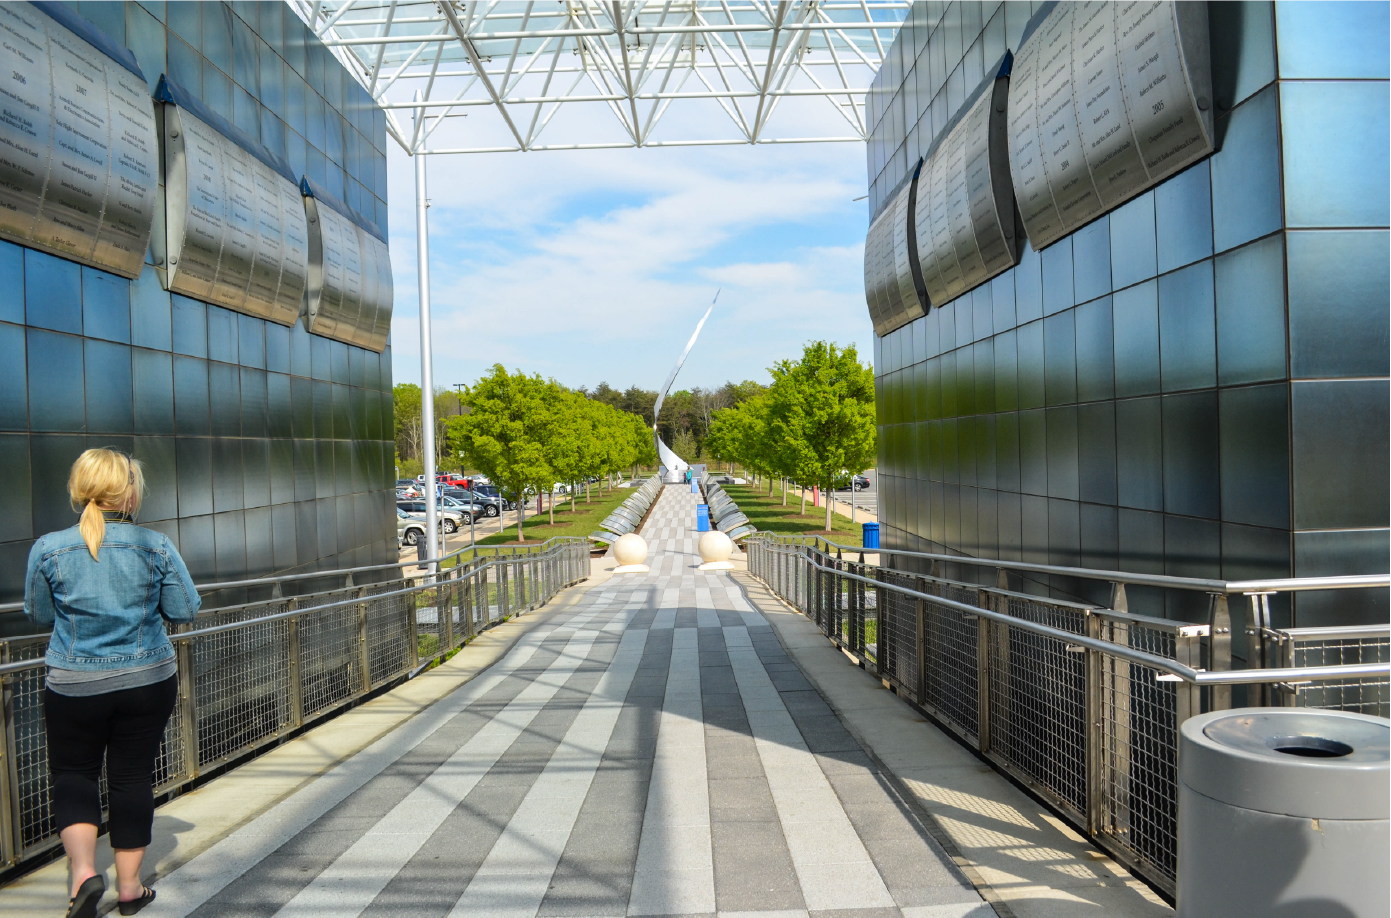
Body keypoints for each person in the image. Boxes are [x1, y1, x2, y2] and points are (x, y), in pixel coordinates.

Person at [24, 449, 200, 918]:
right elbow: (184, 609)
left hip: (74, 684)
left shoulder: (48, 548)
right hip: (146, 680)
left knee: (73, 775)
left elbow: (39, 614)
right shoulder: (155, 545)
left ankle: (84, 875)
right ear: (129, 492)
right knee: (131, 777)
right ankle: (129, 888)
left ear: (79, 489)